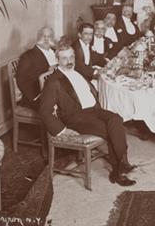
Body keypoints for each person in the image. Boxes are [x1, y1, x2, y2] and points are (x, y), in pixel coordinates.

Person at [39, 45, 136, 186]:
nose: (69, 61)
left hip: (93, 110)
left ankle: (122, 163)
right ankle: (119, 171)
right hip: (76, 117)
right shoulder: (53, 81)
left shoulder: (77, 72)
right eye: (64, 58)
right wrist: (61, 130)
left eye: (71, 57)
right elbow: (44, 111)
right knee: (110, 130)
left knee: (116, 119)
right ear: (57, 60)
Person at [16, 26, 58, 110]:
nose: (46, 39)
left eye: (49, 36)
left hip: (57, 91)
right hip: (37, 96)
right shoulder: (28, 56)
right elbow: (21, 80)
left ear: (52, 38)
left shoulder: (55, 51)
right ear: (38, 37)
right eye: (43, 36)